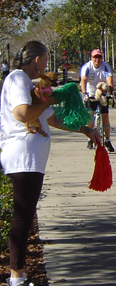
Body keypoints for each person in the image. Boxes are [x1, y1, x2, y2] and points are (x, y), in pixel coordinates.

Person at [0, 41, 101, 286]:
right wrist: (53, 98)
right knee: (23, 217)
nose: (46, 65)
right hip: (23, 156)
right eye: (45, 60)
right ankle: (17, 278)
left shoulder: (26, 83)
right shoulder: (17, 79)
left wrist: (85, 129)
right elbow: (23, 114)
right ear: (37, 60)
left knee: (25, 214)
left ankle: (18, 275)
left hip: (31, 157)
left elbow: (52, 119)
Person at [80, 49, 115, 152]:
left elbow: (109, 81)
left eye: (99, 57)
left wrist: (111, 91)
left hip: (103, 92)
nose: (97, 59)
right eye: (95, 57)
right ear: (91, 58)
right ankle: (90, 138)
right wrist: (84, 93)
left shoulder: (106, 66)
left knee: (105, 117)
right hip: (91, 92)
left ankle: (107, 140)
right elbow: (83, 80)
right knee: (90, 116)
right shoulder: (87, 67)